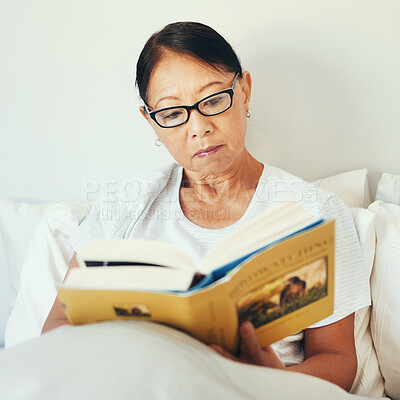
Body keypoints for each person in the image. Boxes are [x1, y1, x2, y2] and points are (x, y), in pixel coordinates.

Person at [42, 21, 370, 392]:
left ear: (244, 91)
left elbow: (339, 362)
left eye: (213, 100)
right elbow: (57, 328)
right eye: (171, 113)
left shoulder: (315, 213)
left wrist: (269, 378)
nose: (198, 127)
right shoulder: (122, 207)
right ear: (151, 121)